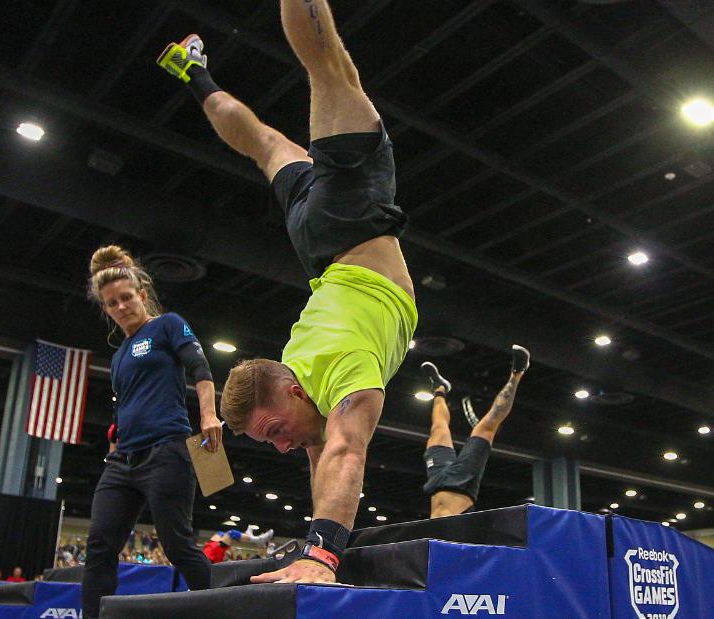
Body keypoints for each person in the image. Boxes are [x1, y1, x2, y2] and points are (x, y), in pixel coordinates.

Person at [158, 0, 416, 585]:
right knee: (265, 144)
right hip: (316, 240)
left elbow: (348, 452)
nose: (280, 446)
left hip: (350, 220)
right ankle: (192, 70)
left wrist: (324, 558)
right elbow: (323, 455)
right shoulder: (301, 389)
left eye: (272, 431)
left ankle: (198, 70)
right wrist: (312, 545)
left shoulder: (346, 370)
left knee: (329, 68)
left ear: (294, 390)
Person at [81, 246, 219, 617]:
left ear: (142, 295)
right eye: (112, 303)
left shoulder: (167, 325)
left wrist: (209, 415)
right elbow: (125, 402)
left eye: (127, 298)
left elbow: (200, 369)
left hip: (166, 452)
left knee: (177, 545)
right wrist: (115, 436)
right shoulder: (118, 355)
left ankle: (228, 609)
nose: (122, 306)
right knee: (99, 546)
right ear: (106, 309)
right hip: (122, 462)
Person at [420, 346, 528, 518]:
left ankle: (439, 388)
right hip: (463, 482)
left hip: (436, 482)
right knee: (485, 428)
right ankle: (518, 372)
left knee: (438, 430)